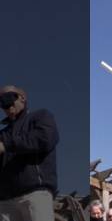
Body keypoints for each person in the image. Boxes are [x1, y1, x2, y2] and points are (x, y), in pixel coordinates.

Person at [0, 85, 59, 221]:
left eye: (7, 99)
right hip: (5, 202)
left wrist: (6, 145)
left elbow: (44, 138)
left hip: (34, 194)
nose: (5, 106)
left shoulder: (40, 117)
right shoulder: (3, 133)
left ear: (22, 98)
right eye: (1, 103)